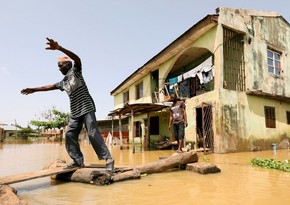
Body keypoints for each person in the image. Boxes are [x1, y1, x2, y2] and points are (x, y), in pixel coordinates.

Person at [21, 38, 114, 171]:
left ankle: (108, 159)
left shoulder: (76, 71)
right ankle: (78, 161)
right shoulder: (63, 82)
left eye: (61, 65)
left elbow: (77, 58)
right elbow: (49, 86)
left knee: (92, 133)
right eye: (58, 66)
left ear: (68, 65)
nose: (59, 69)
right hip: (75, 112)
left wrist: (59, 48)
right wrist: (34, 89)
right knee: (69, 134)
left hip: (87, 107)